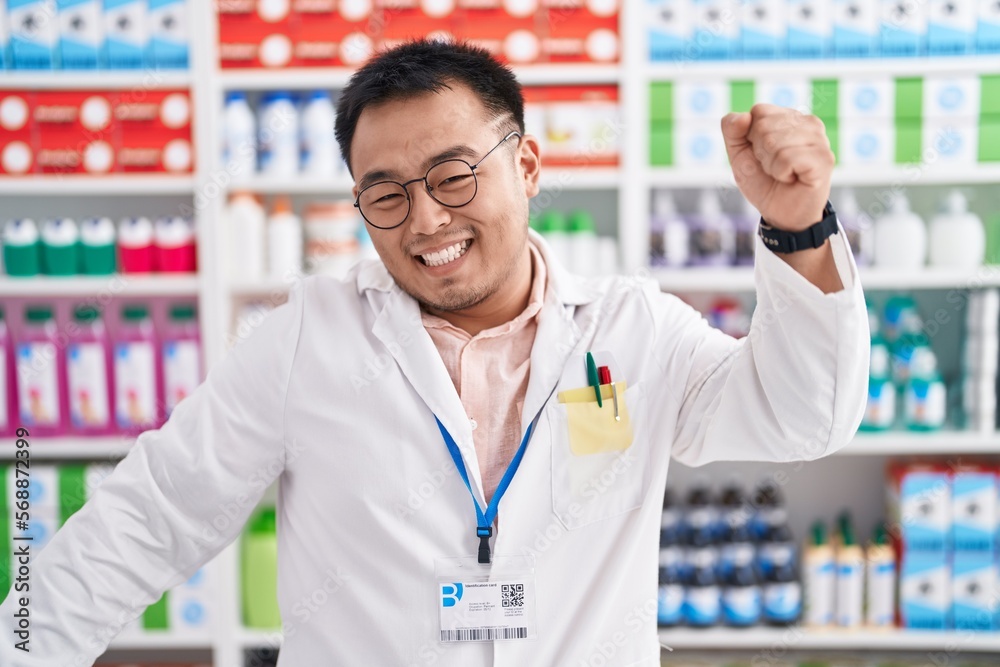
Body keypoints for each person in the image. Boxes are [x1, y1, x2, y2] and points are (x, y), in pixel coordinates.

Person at [0, 40, 868, 666]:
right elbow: (149, 517)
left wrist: (799, 230)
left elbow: (802, 416)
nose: (425, 221)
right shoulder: (308, 334)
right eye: (385, 195)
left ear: (525, 164)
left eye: (455, 177)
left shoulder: (632, 329)